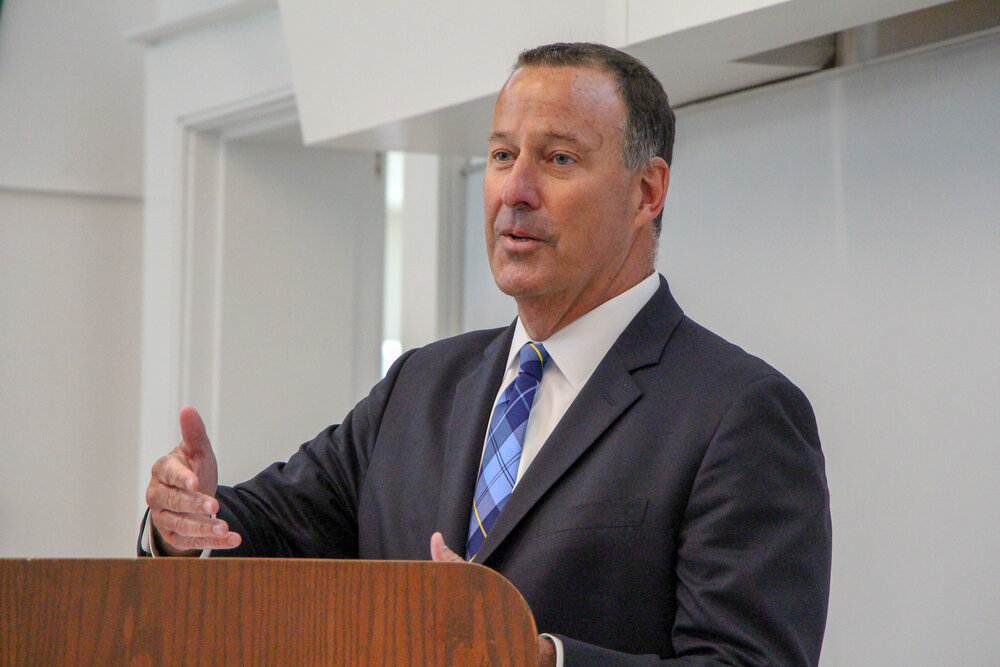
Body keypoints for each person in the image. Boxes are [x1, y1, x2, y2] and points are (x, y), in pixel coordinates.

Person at [141, 42, 832, 666]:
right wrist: (186, 520)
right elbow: (268, 530)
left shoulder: (740, 413)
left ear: (646, 191)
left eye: (558, 158)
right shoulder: (419, 384)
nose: (516, 191)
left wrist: (537, 659)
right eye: (503, 155)